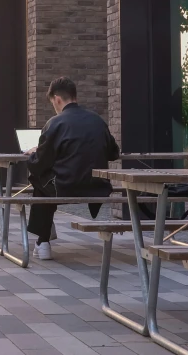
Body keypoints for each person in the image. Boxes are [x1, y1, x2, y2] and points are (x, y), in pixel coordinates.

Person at [25, 77, 120, 260]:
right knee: (45, 181)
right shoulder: (97, 121)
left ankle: (43, 241)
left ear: (57, 99)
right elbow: (113, 153)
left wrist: (32, 154)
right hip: (97, 187)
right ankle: (43, 238)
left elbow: (39, 163)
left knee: (39, 180)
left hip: (64, 187)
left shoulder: (55, 123)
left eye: (53, 102)